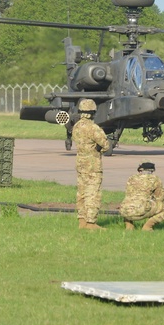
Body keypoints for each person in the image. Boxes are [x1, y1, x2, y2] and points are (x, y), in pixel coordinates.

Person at [71, 98, 110, 230]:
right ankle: (91, 223)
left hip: (80, 162)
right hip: (93, 164)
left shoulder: (76, 126)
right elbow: (105, 145)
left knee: (81, 192)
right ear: (93, 112)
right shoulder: (93, 128)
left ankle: (81, 221)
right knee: (93, 193)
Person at [120, 161, 164, 231]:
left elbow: (128, 194)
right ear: (152, 171)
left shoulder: (131, 178)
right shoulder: (155, 179)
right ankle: (148, 227)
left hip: (124, 210)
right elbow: (160, 198)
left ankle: (129, 226)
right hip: (141, 210)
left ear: (140, 170)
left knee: (129, 202)